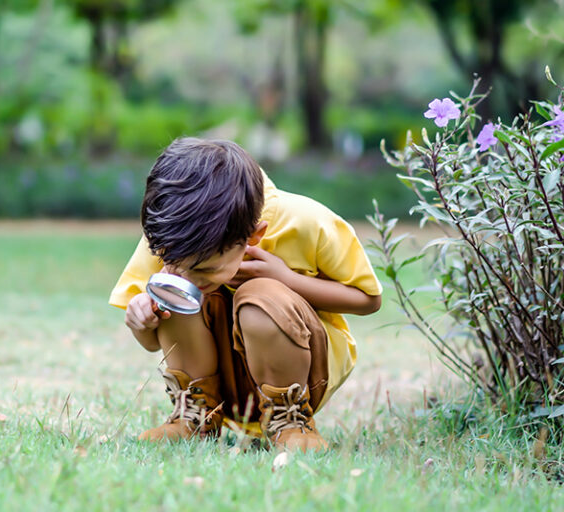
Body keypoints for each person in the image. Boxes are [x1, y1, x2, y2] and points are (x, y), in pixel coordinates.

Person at [109, 138, 382, 451]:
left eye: (204, 270)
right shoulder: (173, 232)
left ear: (253, 236)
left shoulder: (306, 222)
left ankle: (290, 421)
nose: (189, 278)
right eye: (175, 264)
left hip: (302, 374)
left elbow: (368, 300)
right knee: (173, 291)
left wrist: (286, 278)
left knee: (259, 296)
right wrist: (142, 322)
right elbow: (152, 340)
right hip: (222, 377)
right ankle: (196, 416)